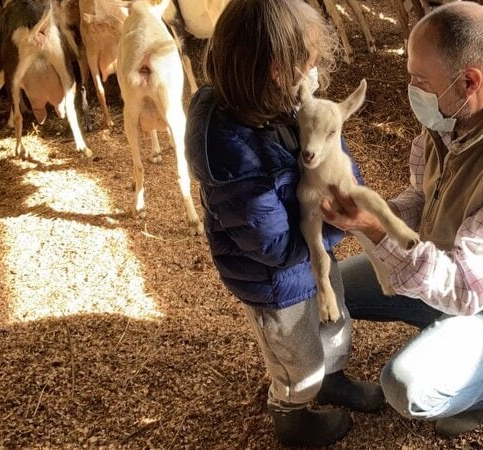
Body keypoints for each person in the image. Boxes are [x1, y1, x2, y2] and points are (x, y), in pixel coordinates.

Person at [321, 1, 483, 438]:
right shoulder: (449, 116)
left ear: (469, 82)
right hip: (442, 263)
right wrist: (377, 211)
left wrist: (375, 229)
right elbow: (422, 196)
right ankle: (443, 335)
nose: (411, 90)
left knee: (406, 388)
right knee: (332, 286)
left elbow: (465, 291)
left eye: (420, 81)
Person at [184, 0, 384, 446]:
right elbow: (273, 246)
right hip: (275, 282)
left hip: (313, 252)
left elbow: (333, 159)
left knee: (334, 318)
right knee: (296, 354)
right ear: (278, 72)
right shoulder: (235, 158)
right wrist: (338, 225)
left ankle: (332, 377)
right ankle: (292, 410)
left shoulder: (280, 106)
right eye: (309, 63)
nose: (314, 71)